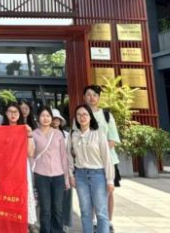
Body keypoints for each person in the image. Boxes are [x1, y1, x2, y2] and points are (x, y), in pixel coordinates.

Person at [68, 104, 114, 233]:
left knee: (101, 211)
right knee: (85, 211)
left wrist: (110, 180)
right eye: (79, 115)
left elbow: (107, 158)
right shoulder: (73, 135)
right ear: (76, 118)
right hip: (80, 175)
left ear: (90, 117)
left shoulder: (99, 134)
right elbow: (68, 155)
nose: (82, 117)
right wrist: (71, 175)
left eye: (85, 114)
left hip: (98, 175)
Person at [84, 85, 121, 232]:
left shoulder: (106, 115)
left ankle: (108, 221)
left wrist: (100, 154)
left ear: (99, 98)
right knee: (91, 192)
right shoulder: (81, 115)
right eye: (88, 95)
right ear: (84, 97)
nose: (92, 98)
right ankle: (94, 220)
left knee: (109, 192)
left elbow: (113, 139)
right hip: (89, 162)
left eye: (95, 95)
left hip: (109, 161)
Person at [32, 106, 69, 233]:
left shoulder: (58, 134)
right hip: (41, 175)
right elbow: (31, 157)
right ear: (38, 117)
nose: (45, 118)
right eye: (43, 115)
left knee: (58, 208)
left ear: (51, 118)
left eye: (48, 116)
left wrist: (66, 178)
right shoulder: (33, 134)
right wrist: (32, 177)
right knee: (45, 209)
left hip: (58, 175)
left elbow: (63, 156)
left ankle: (57, 230)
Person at [3, 102, 37, 228]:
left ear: (20, 114)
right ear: (6, 113)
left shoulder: (25, 129)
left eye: (15, 112)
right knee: (7, 195)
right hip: (5, 169)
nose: (13, 114)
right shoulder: (1, 130)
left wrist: (29, 134)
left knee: (23, 194)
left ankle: (24, 224)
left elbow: (30, 153)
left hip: (22, 167)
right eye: (10, 112)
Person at [52, 108, 72, 233]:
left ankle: (66, 223)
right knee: (53, 199)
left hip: (65, 169)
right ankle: (54, 223)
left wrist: (70, 171)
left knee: (66, 197)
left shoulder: (67, 135)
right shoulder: (45, 133)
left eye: (57, 119)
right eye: (53, 119)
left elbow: (70, 153)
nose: (55, 121)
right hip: (50, 170)